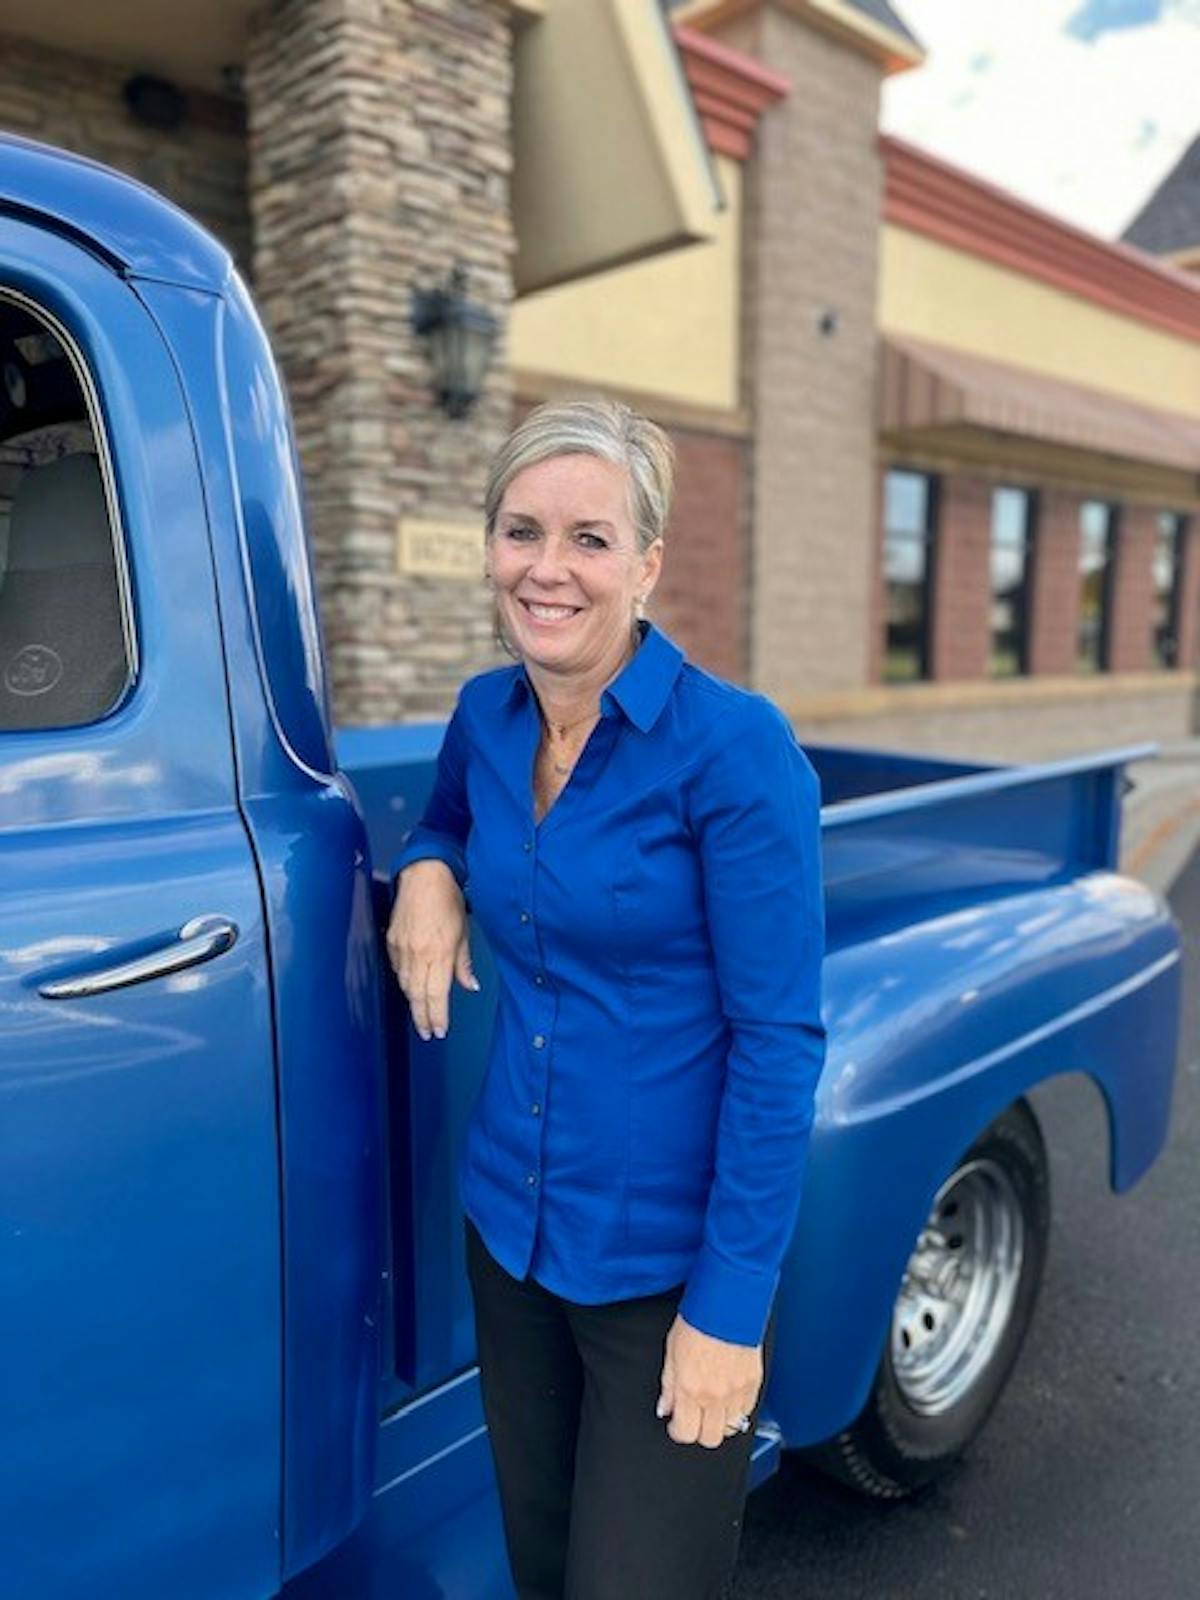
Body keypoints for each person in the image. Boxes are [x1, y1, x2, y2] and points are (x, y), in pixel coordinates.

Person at [387, 397, 826, 1600]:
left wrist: (729, 1313)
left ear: (646, 563)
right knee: (540, 1564)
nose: (550, 568)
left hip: (661, 1271)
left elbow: (779, 1043)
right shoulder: (486, 714)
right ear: (490, 549)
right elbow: (448, 814)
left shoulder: (733, 748)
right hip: (511, 1237)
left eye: (590, 538)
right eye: (522, 530)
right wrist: (429, 865)